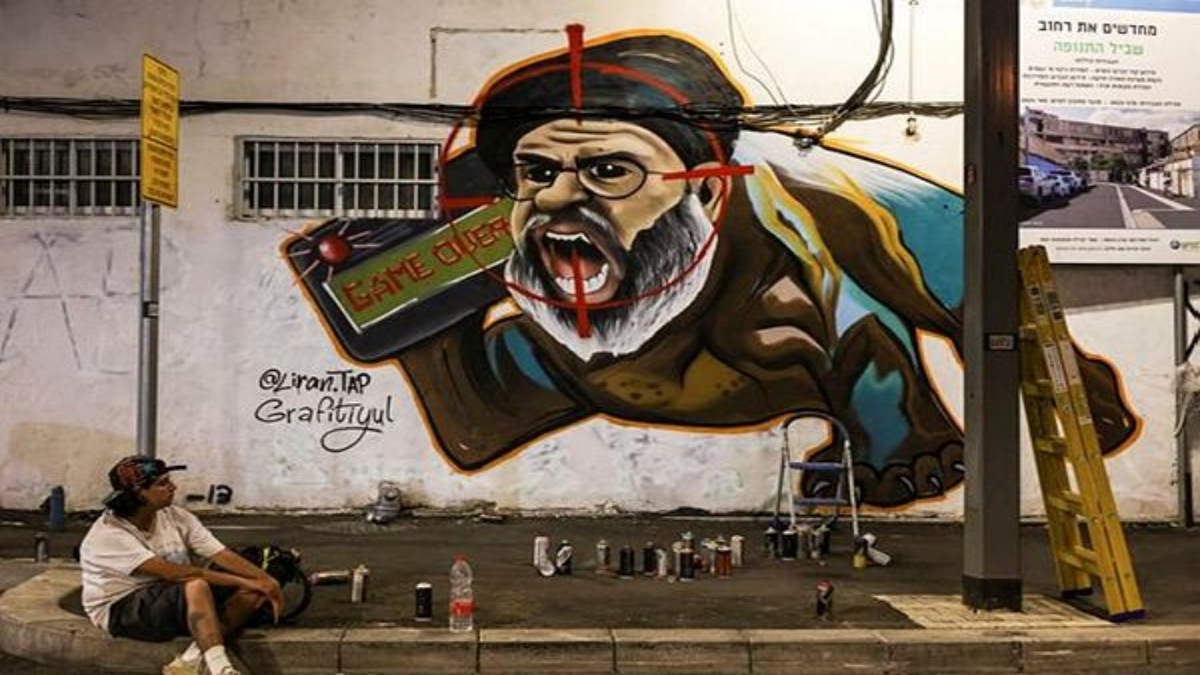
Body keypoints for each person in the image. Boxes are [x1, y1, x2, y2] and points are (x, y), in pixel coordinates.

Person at [306, 28, 1137, 508]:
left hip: (818, 254)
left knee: (927, 265)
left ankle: (1062, 382)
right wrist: (410, 318)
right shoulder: (534, 285)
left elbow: (860, 326)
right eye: (537, 172)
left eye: (607, 170)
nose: (558, 198)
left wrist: (897, 431)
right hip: (655, 353)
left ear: (702, 190)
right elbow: (476, 429)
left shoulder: (778, 269)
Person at [80, 456, 284, 675]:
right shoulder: (110, 533)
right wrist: (252, 583)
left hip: (175, 596)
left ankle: (191, 660)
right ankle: (220, 668)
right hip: (121, 609)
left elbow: (219, 553)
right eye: (162, 483)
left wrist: (266, 580)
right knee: (197, 584)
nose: (173, 487)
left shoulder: (174, 516)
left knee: (264, 574)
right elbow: (179, 574)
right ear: (140, 493)